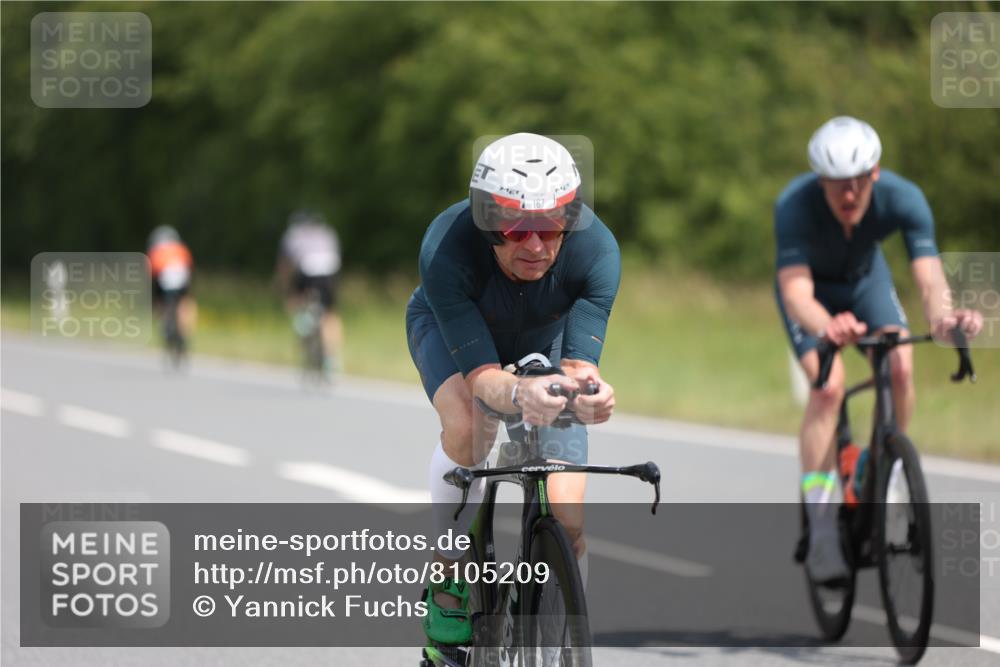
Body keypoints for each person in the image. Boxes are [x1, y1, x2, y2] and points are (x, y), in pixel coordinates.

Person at [406, 133, 620, 645]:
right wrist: (522, 393)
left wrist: (591, 392)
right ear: (486, 221)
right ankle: (449, 572)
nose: (537, 245)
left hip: (543, 343)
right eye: (517, 228)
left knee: (568, 517)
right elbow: (482, 379)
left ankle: (564, 638)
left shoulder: (597, 250)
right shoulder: (446, 248)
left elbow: (576, 366)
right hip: (455, 333)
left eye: (551, 228)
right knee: (469, 423)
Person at [774, 116, 983, 583]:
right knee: (828, 389)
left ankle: (881, 472)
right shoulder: (794, 204)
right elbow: (795, 292)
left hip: (867, 282)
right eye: (836, 187)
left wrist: (943, 320)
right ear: (820, 182)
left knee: (901, 369)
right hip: (812, 298)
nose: (847, 197)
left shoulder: (904, 198)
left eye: (855, 185)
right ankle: (824, 529)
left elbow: (928, 277)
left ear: (874, 174)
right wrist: (829, 326)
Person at [276, 210, 343, 374]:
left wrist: (286, 290)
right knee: (330, 314)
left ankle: (303, 323)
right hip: (329, 272)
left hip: (306, 270)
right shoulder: (328, 232)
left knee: (296, 300)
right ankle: (330, 359)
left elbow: (285, 267)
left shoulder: (292, 234)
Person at [147, 225, 197, 344]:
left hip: (162, 280)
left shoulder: (155, 251)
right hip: (182, 278)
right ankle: (186, 330)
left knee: (157, 300)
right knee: (185, 301)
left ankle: (163, 323)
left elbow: (150, 272)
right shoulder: (181, 249)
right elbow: (189, 267)